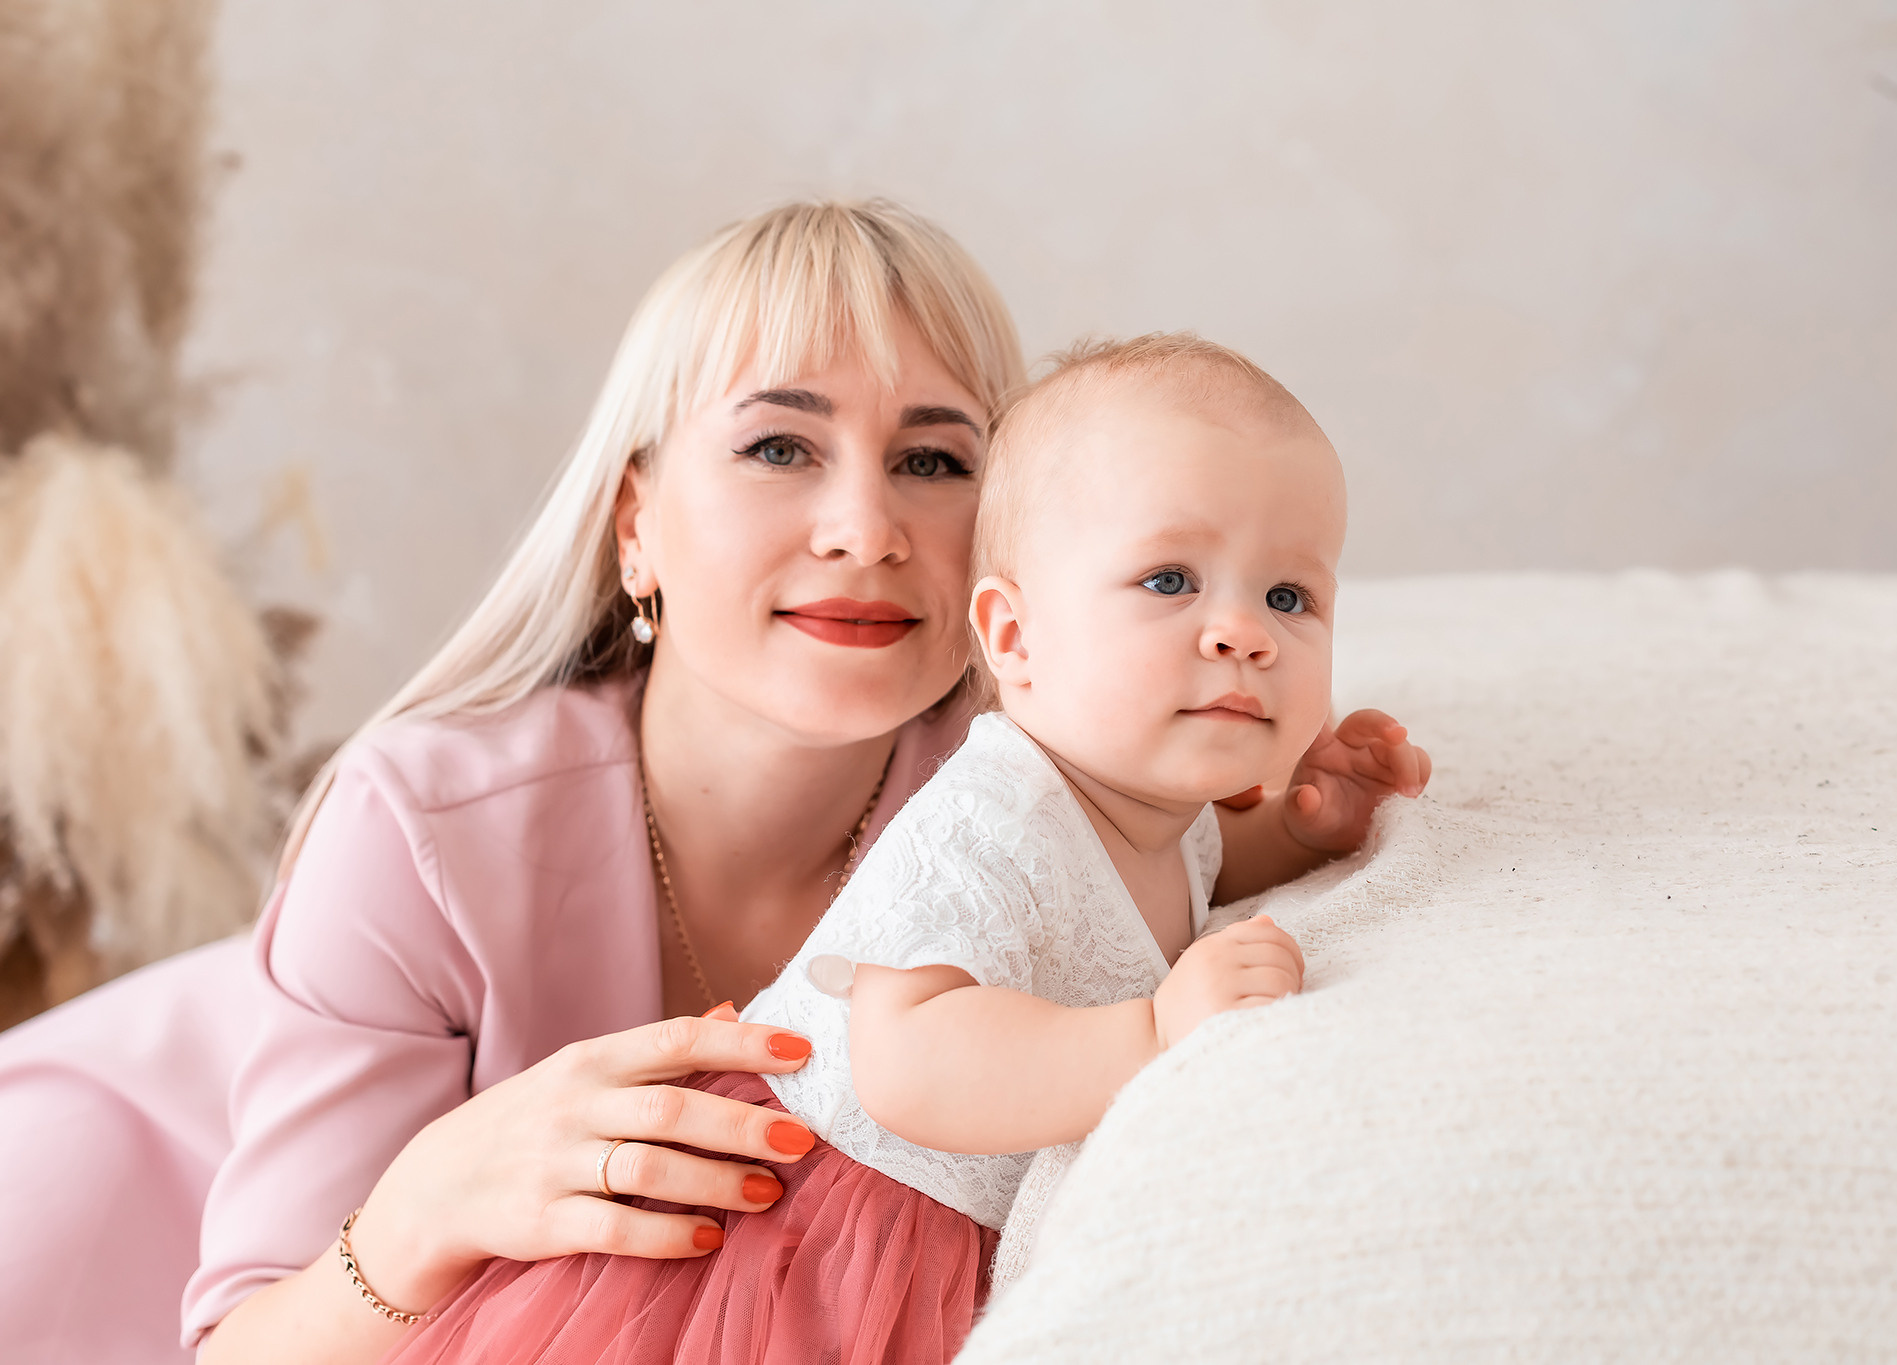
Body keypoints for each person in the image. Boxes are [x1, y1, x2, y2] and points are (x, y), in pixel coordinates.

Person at [0, 202, 1428, 1365]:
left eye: (935, 459)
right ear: (637, 524)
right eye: (778, 446)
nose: (866, 526)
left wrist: (1295, 826)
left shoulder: (1032, 784)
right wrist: (429, 1205)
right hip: (132, 1191)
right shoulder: (422, 827)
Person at [379, 332, 1361, 1364]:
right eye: (1169, 581)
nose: (1242, 633)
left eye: (1287, 598)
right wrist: (1155, 1034)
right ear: (1015, 640)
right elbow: (913, 1058)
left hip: (893, 1228)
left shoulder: (1164, 808)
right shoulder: (988, 818)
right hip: (789, 1226)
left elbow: (1171, 879)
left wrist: (1300, 831)